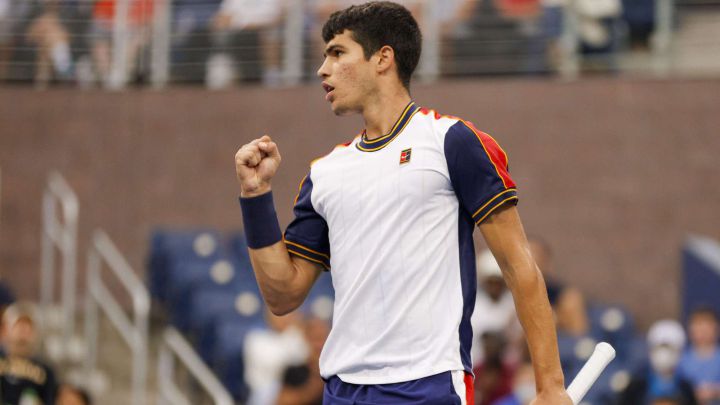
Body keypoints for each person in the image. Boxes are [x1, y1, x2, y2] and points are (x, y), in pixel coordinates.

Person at [234, 2, 570, 404]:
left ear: (383, 58)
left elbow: (520, 269)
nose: (322, 69)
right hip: (343, 390)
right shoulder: (325, 173)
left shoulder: (452, 141)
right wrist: (255, 197)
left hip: (428, 384)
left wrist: (550, 387)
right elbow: (282, 294)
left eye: (337, 53)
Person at [619, 319, 698, 405]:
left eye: (670, 349)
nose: (664, 354)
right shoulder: (635, 387)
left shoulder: (686, 388)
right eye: (658, 348)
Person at [243, 309, 308, 405]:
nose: (281, 319)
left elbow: (304, 359)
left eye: (285, 316)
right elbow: (274, 365)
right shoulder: (256, 338)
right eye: (277, 316)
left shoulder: (295, 335)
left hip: (293, 389)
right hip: (261, 391)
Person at [0, 302, 58, 405]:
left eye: (28, 327)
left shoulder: (46, 371)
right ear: (6, 330)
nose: (23, 332)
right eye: (18, 326)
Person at [471, 249, 520, 366]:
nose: (494, 286)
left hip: (507, 367)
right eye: (490, 282)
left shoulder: (513, 303)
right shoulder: (474, 303)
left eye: (497, 282)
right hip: (477, 363)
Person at [678, 308, 720, 404]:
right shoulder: (682, 360)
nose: (702, 332)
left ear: (716, 329)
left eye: (706, 327)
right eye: (698, 327)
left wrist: (714, 391)